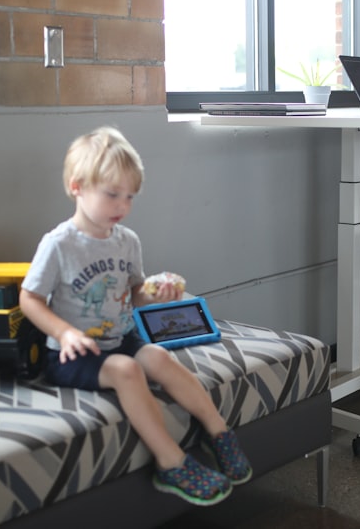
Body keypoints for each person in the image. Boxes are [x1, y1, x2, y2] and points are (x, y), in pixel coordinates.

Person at [19, 126, 251, 506]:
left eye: (129, 197)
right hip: (73, 355)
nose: (122, 206)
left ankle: (219, 432)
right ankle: (171, 463)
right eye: (112, 194)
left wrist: (157, 292)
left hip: (120, 337)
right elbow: (29, 299)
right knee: (128, 371)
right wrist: (64, 334)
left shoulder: (127, 240)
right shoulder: (59, 244)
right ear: (77, 187)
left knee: (157, 356)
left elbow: (134, 294)